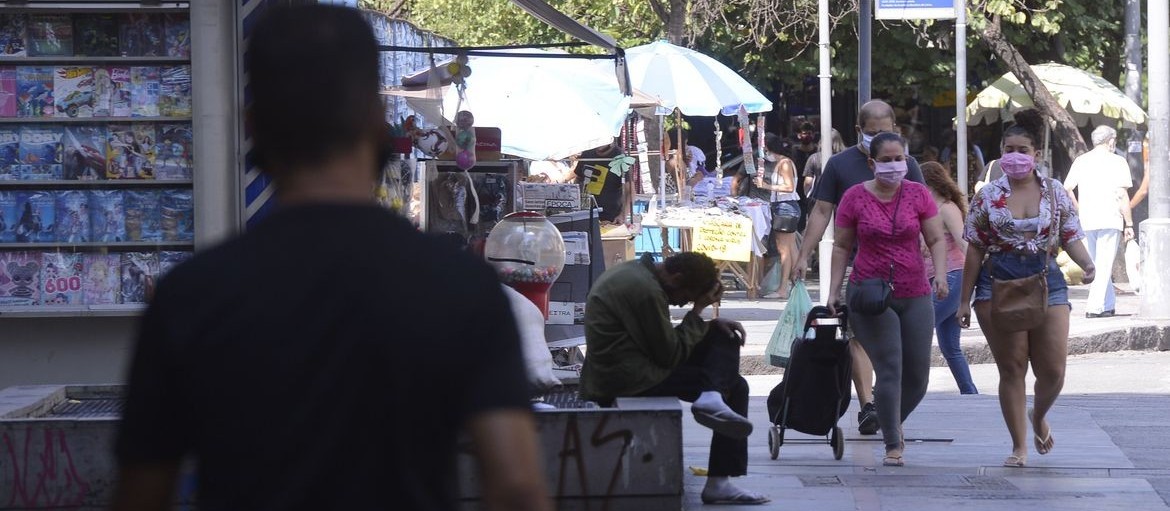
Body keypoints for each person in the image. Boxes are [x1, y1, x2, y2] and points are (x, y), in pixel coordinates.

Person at [111, 6, 550, 511]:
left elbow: (141, 495)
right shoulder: (461, 286)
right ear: (377, 120)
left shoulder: (189, 296)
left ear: (253, 123)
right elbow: (516, 487)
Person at [958, 109, 1096, 469]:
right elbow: (974, 247)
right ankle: (1019, 445)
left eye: (1022, 149)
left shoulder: (1055, 192)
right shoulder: (987, 195)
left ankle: (1039, 415)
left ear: (1036, 154)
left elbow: (1070, 236)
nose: (1014, 156)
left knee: (1053, 370)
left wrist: (1089, 264)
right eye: (1008, 149)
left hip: (1047, 280)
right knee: (1012, 366)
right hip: (997, 282)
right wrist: (963, 299)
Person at [580, 252, 769, 506]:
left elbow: (662, 343)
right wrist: (698, 311)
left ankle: (712, 396)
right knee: (735, 387)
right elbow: (670, 355)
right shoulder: (645, 290)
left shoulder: (637, 274)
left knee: (723, 336)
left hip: (634, 364)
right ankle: (718, 477)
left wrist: (707, 325)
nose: (681, 304)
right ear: (677, 278)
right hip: (626, 379)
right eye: (686, 298)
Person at [794, 100, 927, 436]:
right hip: (862, 269)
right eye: (872, 132)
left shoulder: (905, 163)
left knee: (904, 363)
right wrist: (803, 255)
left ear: (895, 127)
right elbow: (822, 212)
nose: (880, 137)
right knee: (861, 339)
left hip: (906, 276)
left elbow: (926, 211)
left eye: (885, 130)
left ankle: (885, 414)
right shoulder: (840, 165)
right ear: (859, 132)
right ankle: (868, 403)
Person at [824, 132, 950, 466]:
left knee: (918, 378)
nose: (895, 166)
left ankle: (885, 419)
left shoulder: (918, 194)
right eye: (887, 160)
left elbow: (936, 238)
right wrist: (834, 292)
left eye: (900, 159)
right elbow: (841, 246)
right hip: (870, 292)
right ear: (872, 163)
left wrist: (939, 274)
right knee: (891, 366)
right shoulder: (854, 197)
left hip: (915, 290)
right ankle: (893, 444)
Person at [1063, 125, 1134, 318]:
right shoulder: (1118, 161)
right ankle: (1094, 307)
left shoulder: (1081, 160)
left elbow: (1067, 189)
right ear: (1111, 141)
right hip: (1110, 218)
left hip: (1087, 218)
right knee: (1103, 264)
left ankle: (1108, 306)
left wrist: (1078, 209)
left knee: (1098, 263)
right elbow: (1122, 194)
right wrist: (1129, 224)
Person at [920, 161, 978, 394]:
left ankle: (905, 388)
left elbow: (964, 243)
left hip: (953, 278)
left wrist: (979, 274)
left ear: (930, 182)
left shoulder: (946, 208)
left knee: (918, 331)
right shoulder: (926, 209)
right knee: (950, 347)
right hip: (937, 279)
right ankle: (970, 393)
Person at [756, 133, 801, 299]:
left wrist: (766, 186)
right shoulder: (782, 163)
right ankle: (797, 283)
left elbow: (789, 187)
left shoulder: (784, 164)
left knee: (784, 249)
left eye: (765, 150)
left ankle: (783, 288)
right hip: (783, 207)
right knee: (790, 248)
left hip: (785, 207)